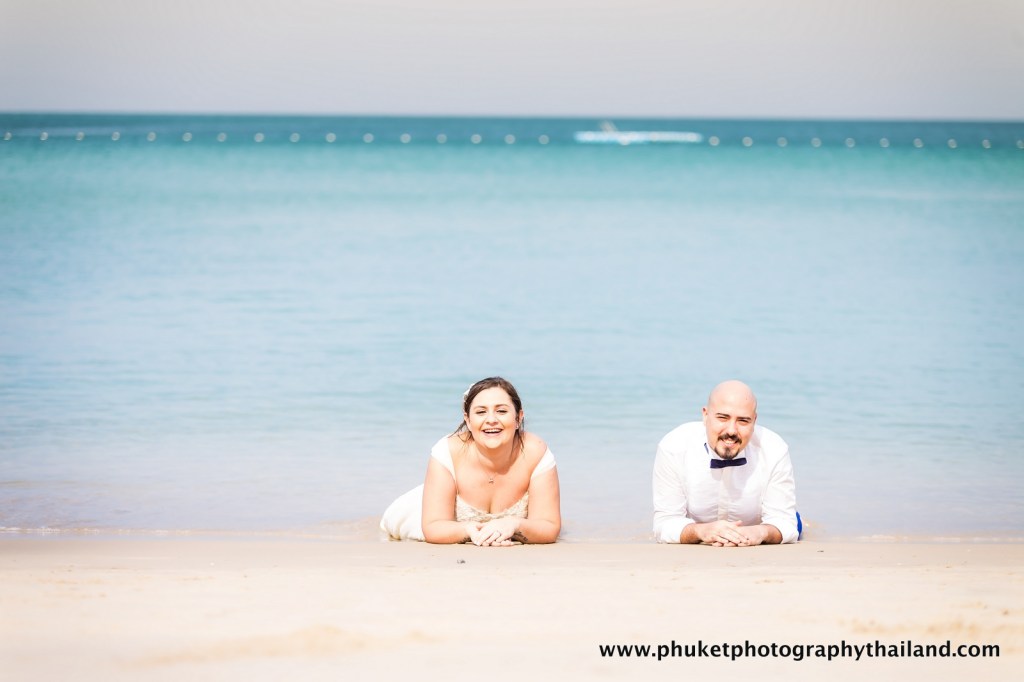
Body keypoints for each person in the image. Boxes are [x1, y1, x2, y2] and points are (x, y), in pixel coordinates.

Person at [380, 377, 561, 545]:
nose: (491, 420)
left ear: (518, 417)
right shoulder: (448, 451)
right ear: (467, 419)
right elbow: (433, 526)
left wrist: (514, 525)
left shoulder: (535, 451)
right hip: (421, 510)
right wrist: (468, 530)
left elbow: (549, 526)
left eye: (502, 411)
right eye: (481, 412)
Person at [652, 380, 799, 546]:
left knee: (796, 523)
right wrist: (701, 531)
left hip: (755, 528)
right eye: (723, 418)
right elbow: (664, 523)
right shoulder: (673, 446)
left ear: (754, 421)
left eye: (743, 421)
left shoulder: (774, 448)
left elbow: (786, 524)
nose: (731, 431)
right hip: (697, 529)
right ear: (705, 415)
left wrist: (759, 532)